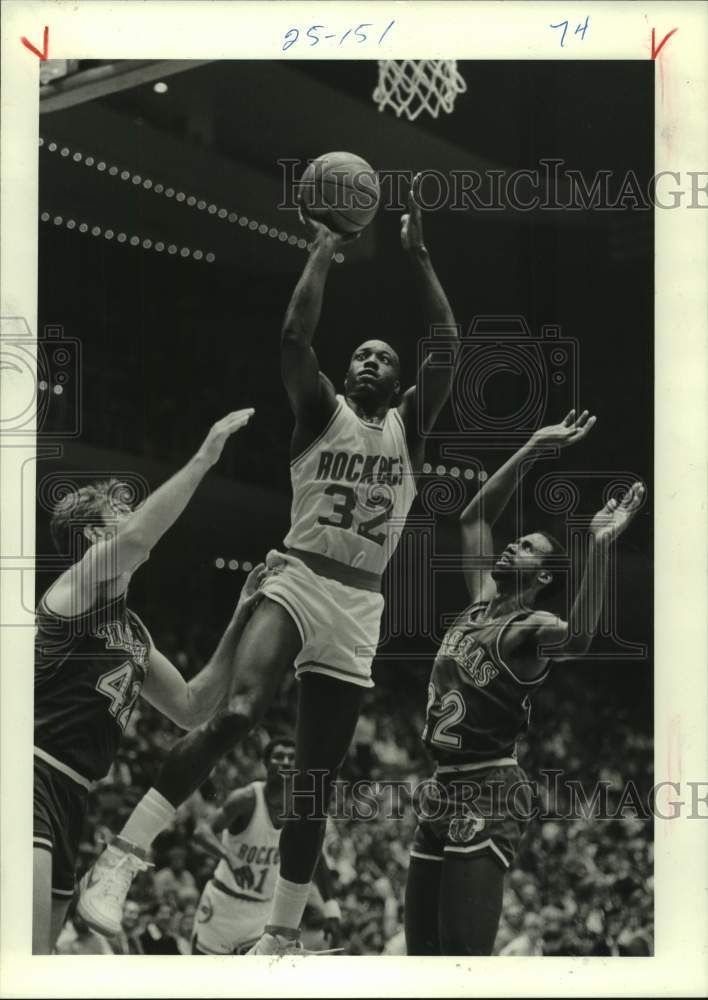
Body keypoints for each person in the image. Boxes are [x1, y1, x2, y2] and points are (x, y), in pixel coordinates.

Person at [78, 175, 459, 953]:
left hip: (358, 608)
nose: (369, 361)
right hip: (297, 576)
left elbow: (449, 344)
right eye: (358, 354)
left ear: (398, 380)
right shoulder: (321, 411)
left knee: (312, 788)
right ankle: (121, 859)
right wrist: (323, 248)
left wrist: (418, 258)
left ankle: (281, 936)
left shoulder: (410, 430)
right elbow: (293, 338)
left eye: (382, 357)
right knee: (241, 714)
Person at [404, 410, 645, 956]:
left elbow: (580, 640)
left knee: (463, 960)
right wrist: (534, 445)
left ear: (541, 578)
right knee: (419, 957)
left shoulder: (528, 629)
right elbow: (472, 518)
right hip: (442, 786)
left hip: (490, 788)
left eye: (530, 548)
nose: (513, 546)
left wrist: (598, 548)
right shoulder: (477, 606)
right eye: (517, 541)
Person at [33, 407, 265, 953]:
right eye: (121, 510)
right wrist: (205, 457)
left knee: (38, 962)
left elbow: (192, 706)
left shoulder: (133, 629)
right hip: (32, 772)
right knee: (16, 957)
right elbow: (136, 540)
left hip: (75, 794)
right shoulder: (76, 589)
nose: (134, 516)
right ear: (93, 534)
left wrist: (239, 619)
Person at [191, 734, 340, 954]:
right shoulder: (247, 798)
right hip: (224, 905)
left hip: (264, 912)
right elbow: (200, 831)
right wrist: (230, 858)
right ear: (265, 762)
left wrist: (331, 908)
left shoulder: (302, 808)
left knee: (255, 984)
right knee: (202, 982)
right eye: (279, 756)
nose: (286, 762)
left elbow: (314, 857)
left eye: (292, 758)